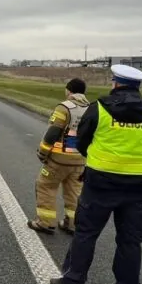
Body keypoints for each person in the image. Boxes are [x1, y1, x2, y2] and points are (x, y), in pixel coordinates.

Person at [49, 64, 142, 284]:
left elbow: (82, 141)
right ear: (139, 87)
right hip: (140, 186)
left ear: (115, 83)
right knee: (130, 241)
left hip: (102, 183)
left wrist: (99, 159)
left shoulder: (100, 108)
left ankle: (74, 281)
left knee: (86, 233)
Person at [28, 78, 90, 235]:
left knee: (46, 186)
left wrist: (43, 152)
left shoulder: (64, 108)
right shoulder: (92, 109)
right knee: (74, 192)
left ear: (69, 91)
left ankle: (45, 222)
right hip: (80, 160)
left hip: (59, 159)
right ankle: (72, 224)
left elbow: (52, 133)